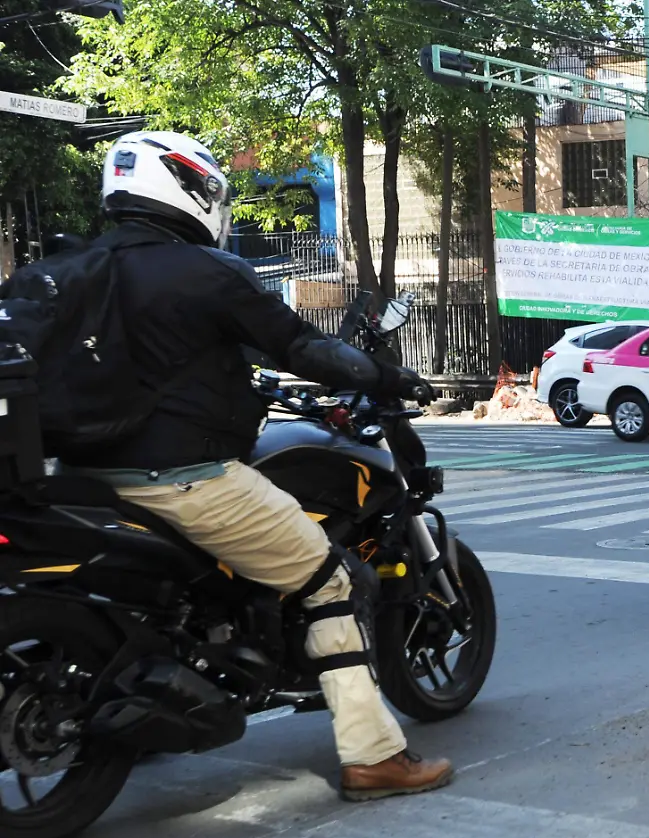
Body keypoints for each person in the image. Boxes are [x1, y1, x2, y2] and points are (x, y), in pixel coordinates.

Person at [60, 131, 452, 802]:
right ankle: (373, 757)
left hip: (76, 485)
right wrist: (386, 374)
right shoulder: (207, 272)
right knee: (330, 581)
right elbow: (302, 347)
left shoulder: (56, 271)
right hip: (188, 483)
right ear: (192, 188)